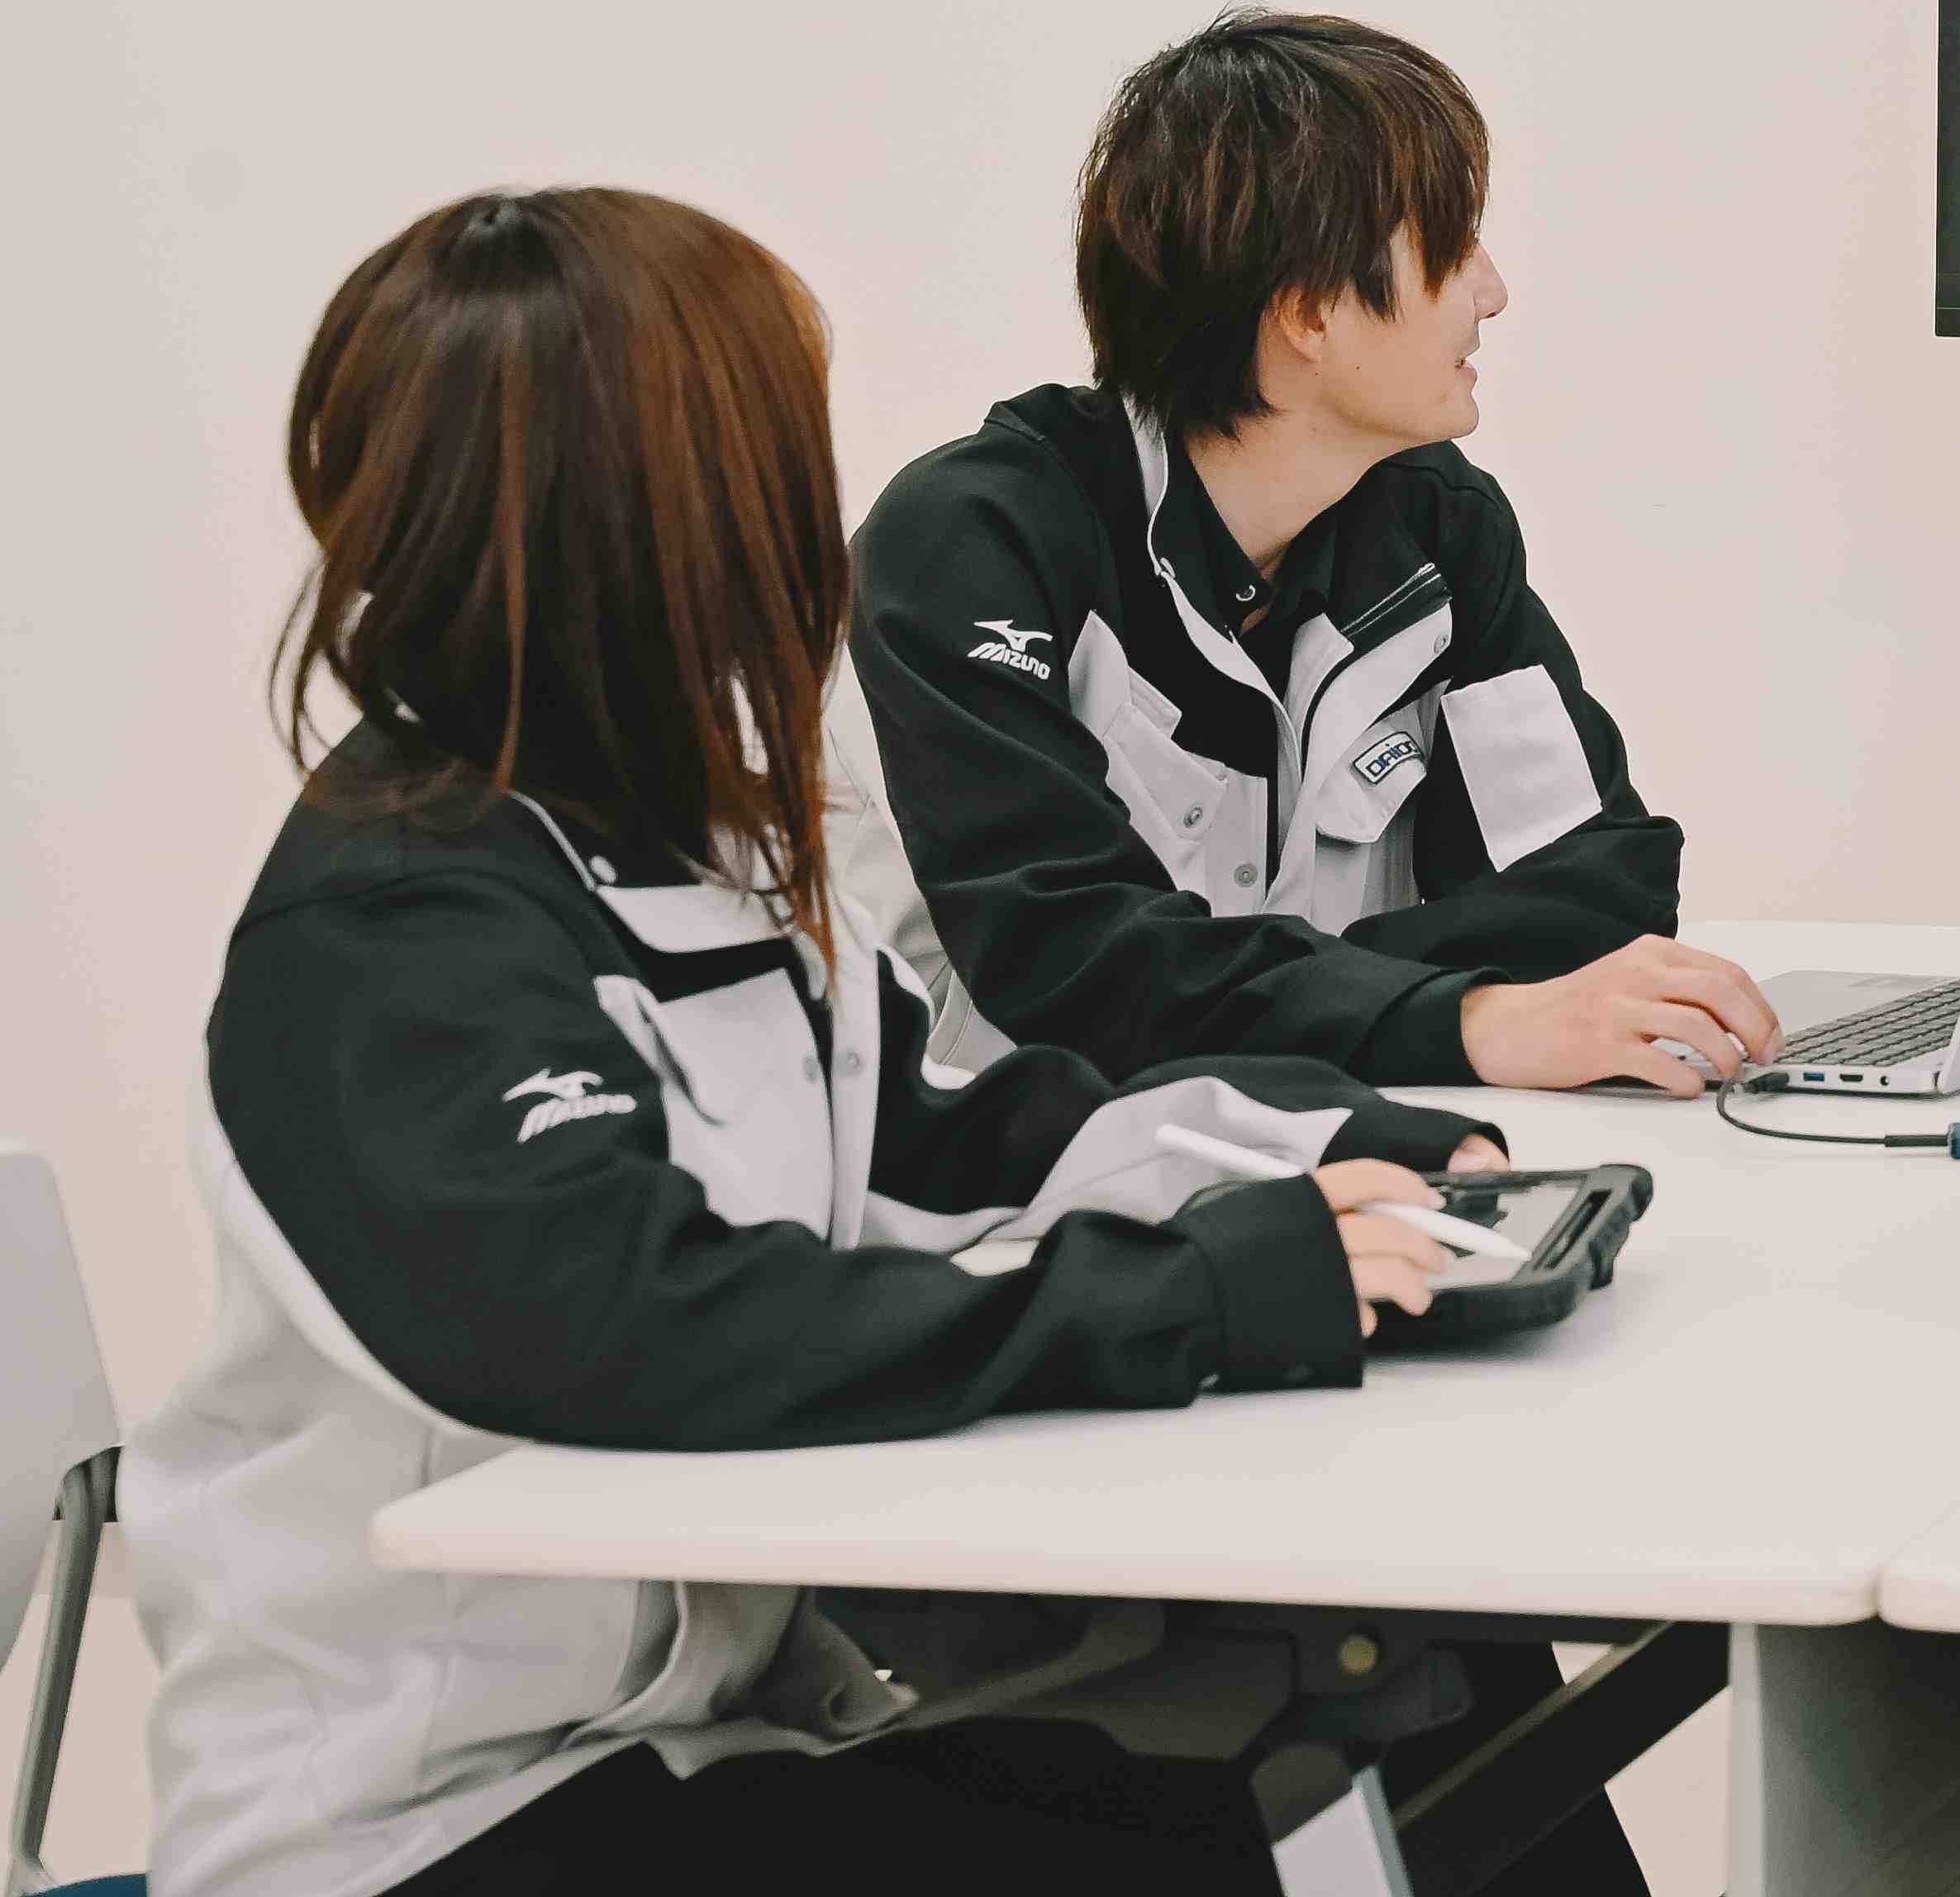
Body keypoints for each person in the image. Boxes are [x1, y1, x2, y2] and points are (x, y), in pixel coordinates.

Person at [129, 188, 1632, 1896]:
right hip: (435, 1814)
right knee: (1273, 1845)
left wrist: (1330, 1146)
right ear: (666, 503)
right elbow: (643, 1323)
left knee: (1419, 1721)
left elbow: (953, 1131)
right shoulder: (394, 927)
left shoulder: (676, 836)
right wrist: (1202, 1294)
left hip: (711, 1724)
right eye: (779, 450)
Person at [843, 8, 1777, 1091]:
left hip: (1338, 1147)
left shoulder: (1435, 530)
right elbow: (1073, 969)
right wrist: (1463, 1017)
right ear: (1309, 312)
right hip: (1002, 1178)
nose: (1493, 292)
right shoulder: (972, 546)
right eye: (1453, 248)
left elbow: (1598, 889)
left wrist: (1312, 998)